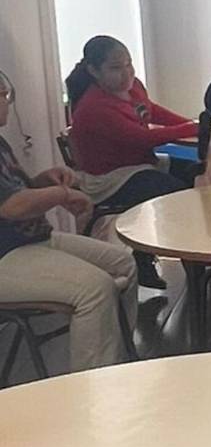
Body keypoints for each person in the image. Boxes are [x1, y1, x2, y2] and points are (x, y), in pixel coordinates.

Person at [0, 78, 137, 372]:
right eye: (3, 94)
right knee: (95, 289)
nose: (6, 101)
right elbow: (12, 207)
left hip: (29, 241)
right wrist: (61, 194)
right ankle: (92, 388)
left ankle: (119, 361)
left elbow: (16, 192)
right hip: (6, 254)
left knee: (123, 263)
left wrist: (43, 180)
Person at [66, 35, 198, 289]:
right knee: (177, 194)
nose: (126, 73)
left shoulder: (133, 86)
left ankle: (191, 259)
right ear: (94, 71)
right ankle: (178, 262)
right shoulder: (94, 108)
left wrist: (189, 124)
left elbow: (151, 111)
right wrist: (190, 128)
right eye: (116, 68)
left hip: (139, 163)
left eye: (129, 64)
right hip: (110, 178)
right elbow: (142, 138)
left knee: (196, 174)